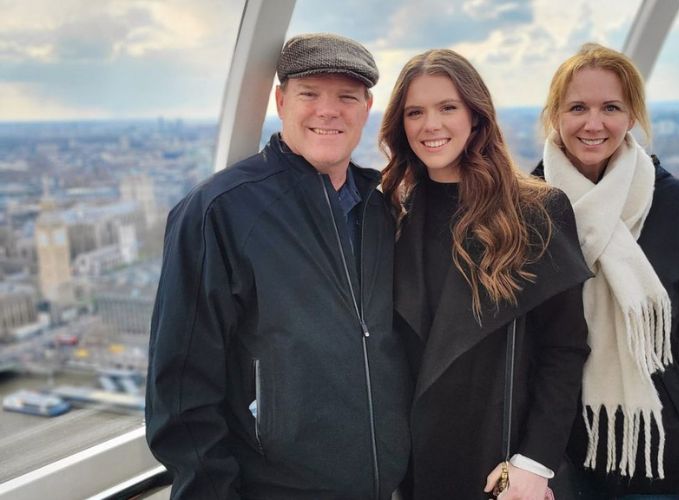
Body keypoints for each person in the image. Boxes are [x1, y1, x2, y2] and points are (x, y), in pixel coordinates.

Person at [145, 33, 412, 499]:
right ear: (281, 100)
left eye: (346, 97)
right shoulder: (218, 211)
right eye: (310, 94)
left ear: (366, 109)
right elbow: (182, 392)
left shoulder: (383, 208)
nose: (328, 111)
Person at [379, 48, 591, 500]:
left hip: (504, 471)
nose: (430, 124)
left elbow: (565, 350)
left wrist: (535, 464)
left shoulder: (536, 211)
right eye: (415, 112)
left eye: (447, 108)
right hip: (412, 471)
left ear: (476, 117)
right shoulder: (388, 215)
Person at [534, 43, 679, 499]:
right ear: (555, 116)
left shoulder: (676, 204)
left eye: (611, 107)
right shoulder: (529, 208)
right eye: (577, 108)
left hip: (658, 454)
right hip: (553, 457)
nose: (593, 123)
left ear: (632, 117)